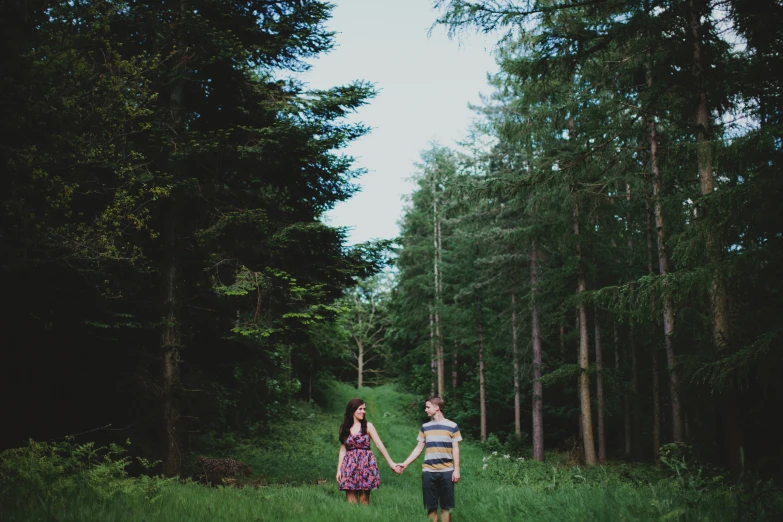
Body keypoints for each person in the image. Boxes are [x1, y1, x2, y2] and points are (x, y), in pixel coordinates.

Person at [396, 396, 462, 522]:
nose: (425, 410)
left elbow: (456, 449)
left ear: (437, 408)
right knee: (431, 508)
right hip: (428, 472)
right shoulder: (425, 427)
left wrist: (456, 470)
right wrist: (405, 464)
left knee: (446, 508)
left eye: (428, 407)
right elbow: (418, 448)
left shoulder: (452, 426)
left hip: (447, 472)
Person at [336, 398, 398, 505]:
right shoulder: (344, 428)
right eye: (360, 409)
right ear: (352, 410)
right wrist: (339, 470)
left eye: (364, 409)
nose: (363, 412)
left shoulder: (368, 426)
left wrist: (391, 463)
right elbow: (343, 449)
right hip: (349, 465)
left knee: (364, 500)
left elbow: (379, 445)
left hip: (366, 464)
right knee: (351, 502)